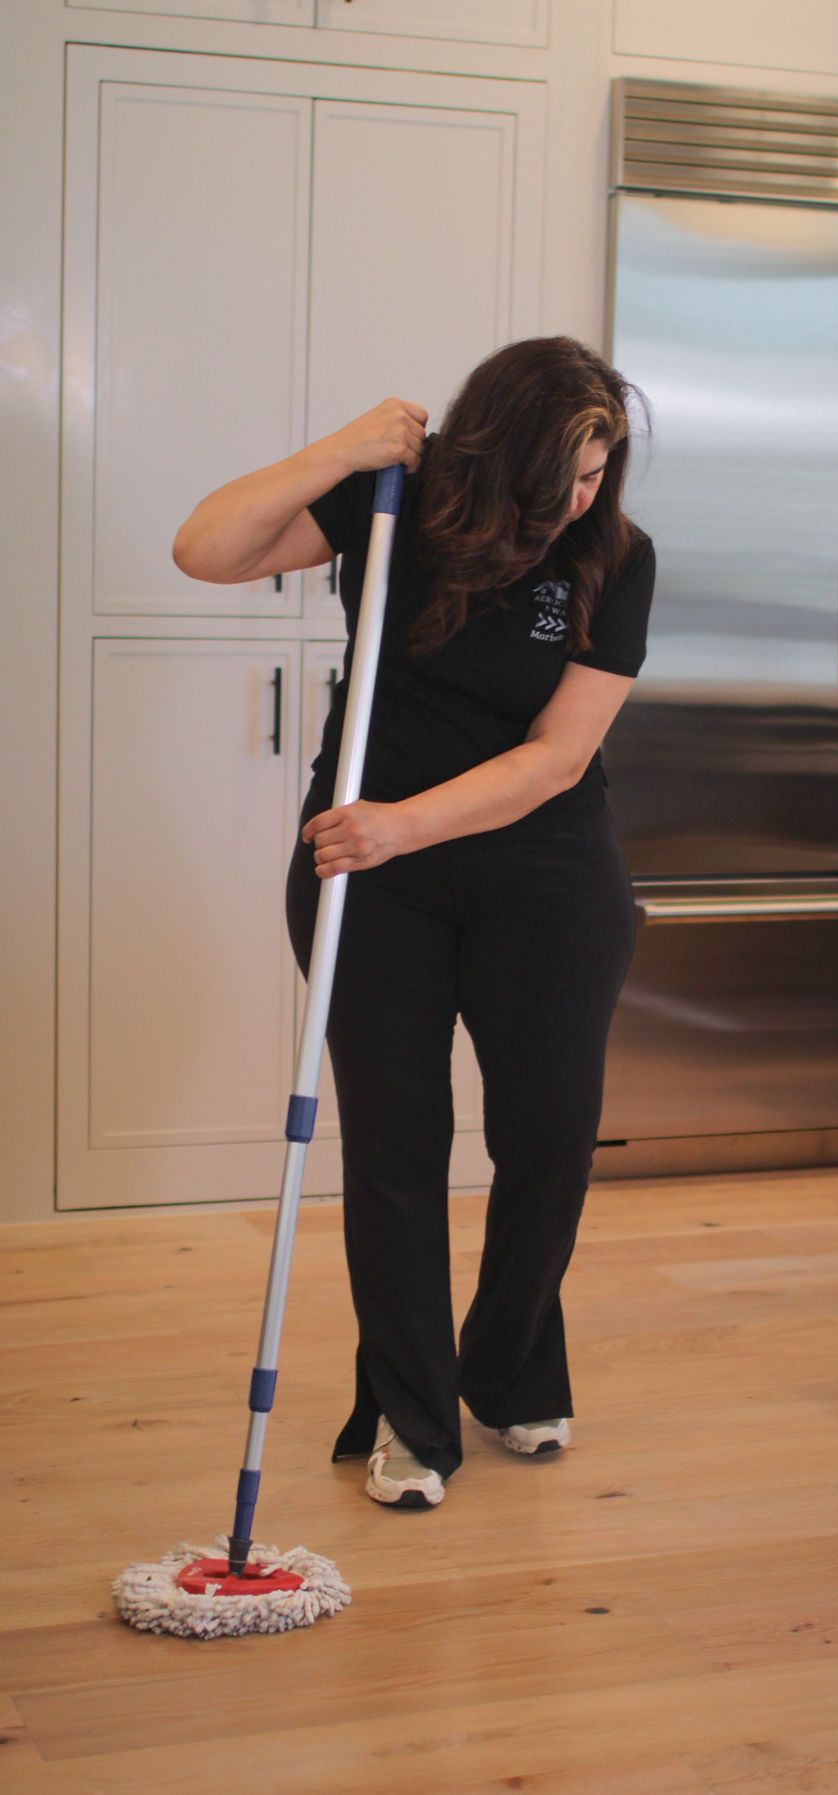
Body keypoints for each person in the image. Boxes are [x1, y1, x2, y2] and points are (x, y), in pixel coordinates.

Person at [173, 336, 655, 1509]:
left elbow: (556, 756)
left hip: (540, 874)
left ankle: (505, 1365)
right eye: (562, 477)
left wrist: (403, 823)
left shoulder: (614, 555)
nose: (579, 500)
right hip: (367, 876)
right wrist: (343, 448)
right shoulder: (396, 502)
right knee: (396, 1149)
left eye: (599, 474)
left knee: (548, 1142)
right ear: (492, 453)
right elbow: (205, 549)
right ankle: (411, 1409)